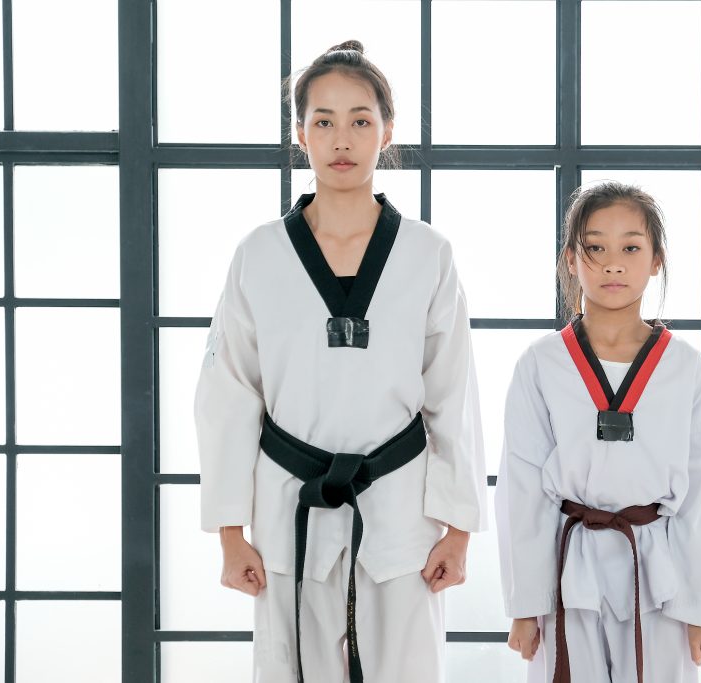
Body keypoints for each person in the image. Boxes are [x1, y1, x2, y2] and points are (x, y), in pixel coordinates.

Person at [194, 40, 487, 683]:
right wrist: (228, 529)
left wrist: (459, 529)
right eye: (322, 121)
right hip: (286, 503)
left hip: (401, 505)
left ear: (388, 132)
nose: (341, 138)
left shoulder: (426, 254)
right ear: (300, 134)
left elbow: (453, 396)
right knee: (290, 667)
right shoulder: (260, 254)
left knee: (407, 669)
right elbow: (227, 395)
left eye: (360, 119)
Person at [495, 180, 701, 683]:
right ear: (571, 260)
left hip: (657, 573)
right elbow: (522, 487)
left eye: (631, 247)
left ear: (656, 259)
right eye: (595, 247)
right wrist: (525, 604)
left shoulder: (684, 367)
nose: (613, 264)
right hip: (568, 571)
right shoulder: (540, 364)